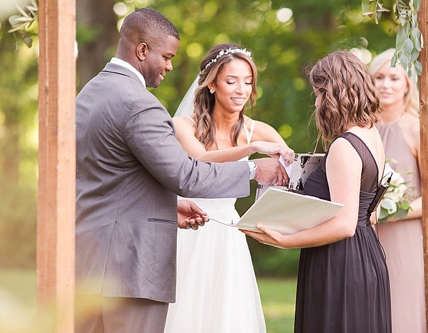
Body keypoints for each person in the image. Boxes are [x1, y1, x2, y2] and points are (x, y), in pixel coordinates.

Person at [74, 8, 289, 333]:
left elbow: (108, 178)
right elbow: (187, 175)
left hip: (90, 262)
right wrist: (251, 169)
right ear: (143, 50)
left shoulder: (89, 93)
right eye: (167, 56)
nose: (171, 66)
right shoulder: (139, 104)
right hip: (130, 266)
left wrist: (168, 205)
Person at [243, 50, 391, 332]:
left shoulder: (344, 146)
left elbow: (345, 224)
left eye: (318, 93)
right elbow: (367, 212)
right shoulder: (371, 133)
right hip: (365, 254)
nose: (316, 101)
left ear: (332, 93)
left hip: (340, 263)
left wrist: (285, 240)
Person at [164, 43, 295, 333]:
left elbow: (293, 175)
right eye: (231, 81)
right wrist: (251, 149)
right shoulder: (182, 125)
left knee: (228, 317)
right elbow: (201, 160)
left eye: (248, 82)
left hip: (229, 234)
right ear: (211, 85)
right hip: (189, 230)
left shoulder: (258, 130)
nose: (241, 90)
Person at [368, 48, 426, 333]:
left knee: (402, 312)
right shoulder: (362, 130)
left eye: (393, 77)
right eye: (378, 77)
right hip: (366, 235)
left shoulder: (416, 128)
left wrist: (388, 212)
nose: (385, 85)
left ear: (407, 84)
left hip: (405, 236)